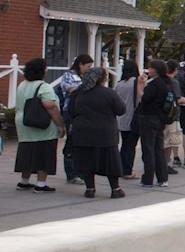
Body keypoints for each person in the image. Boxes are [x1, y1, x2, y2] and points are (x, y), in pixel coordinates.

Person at [69, 67, 126, 198]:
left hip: (83, 132)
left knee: (87, 161)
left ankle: (90, 189)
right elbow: (121, 110)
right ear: (102, 79)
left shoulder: (78, 93)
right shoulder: (108, 93)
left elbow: (71, 111)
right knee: (110, 162)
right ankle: (115, 189)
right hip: (105, 133)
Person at [14, 58, 65, 193]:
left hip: (23, 122)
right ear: (41, 71)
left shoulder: (22, 85)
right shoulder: (44, 87)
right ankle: (40, 184)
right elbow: (51, 106)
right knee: (44, 152)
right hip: (42, 124)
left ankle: (24, 181)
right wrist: (60, 124)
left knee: (27, 151)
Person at [137, 59, 171, 188]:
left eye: (150, 68)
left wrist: (140, 84)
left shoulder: (154, 85)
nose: (148, 70)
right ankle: (162, 178)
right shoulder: (166, 83)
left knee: (148, 148)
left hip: (148, 117)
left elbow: (143, 98)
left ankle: (148, 178)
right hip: (160, 118)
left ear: (156, 70)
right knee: (159, 148)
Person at [59, 54, 93, 185]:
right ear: (80, 64)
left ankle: (82, 171)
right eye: (88, 66)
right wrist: (84, 87)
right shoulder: (69, 75)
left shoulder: (86, 77)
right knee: (72, 141)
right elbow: (69, 89)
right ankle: (72, 173)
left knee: (82, 142)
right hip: (71, 112)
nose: (89, 69)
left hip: (84, 112)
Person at [115, 61, 142, 179]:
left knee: (124, 144)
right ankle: (127, 170)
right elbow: (141, 97)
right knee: (131, 146)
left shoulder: (119, 84)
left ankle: (120, 168)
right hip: (133, 117)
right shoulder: (136, 82)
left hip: (121, 118)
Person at [163, 60, 185, 174]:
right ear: (175, 70)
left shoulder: (157, 81)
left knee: (162, 140)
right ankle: (165, 164)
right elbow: (178, 98)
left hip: (159, 115)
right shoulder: (173, 82)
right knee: (170, 141)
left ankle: (160, 162)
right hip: (172, 115)